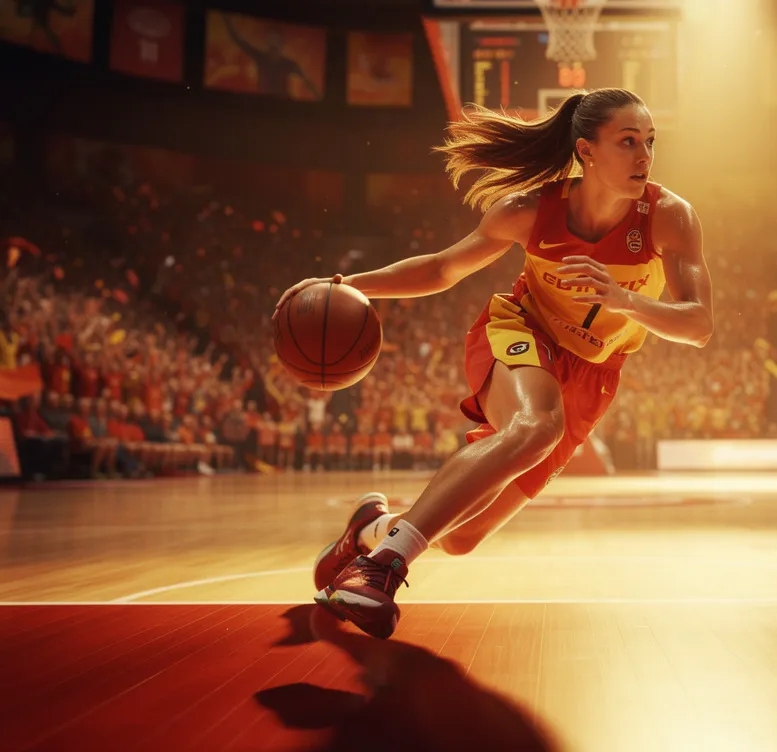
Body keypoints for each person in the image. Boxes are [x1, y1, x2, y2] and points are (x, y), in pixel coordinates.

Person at [275, 88, 715, 639]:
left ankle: (371, 531)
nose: (645, 155)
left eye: (650, 141)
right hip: (521, 330)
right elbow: (442, 269)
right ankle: (381, 566)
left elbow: (699, 325)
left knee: (461, 537)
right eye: (628, 141)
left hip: (595, 371)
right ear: (586, 150)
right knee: (536, 425)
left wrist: (624, 300)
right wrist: (344, 285)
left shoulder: (670, 217)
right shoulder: (530, 210)